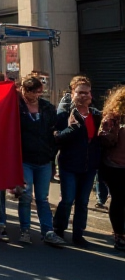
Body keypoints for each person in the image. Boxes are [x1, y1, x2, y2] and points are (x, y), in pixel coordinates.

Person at [53, 76, 103, 248]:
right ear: (72, 93)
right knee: (67, 199)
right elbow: (57, 138)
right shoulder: (64, 114)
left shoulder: (96, 115)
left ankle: (78, 234)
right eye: (80, 92)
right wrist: (71, 128)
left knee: (82, 202)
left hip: (89, 167)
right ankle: (58, 231)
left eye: (86, 92)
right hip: (69, 165)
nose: (84, 96)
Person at [17, 76, 65, 246]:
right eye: (34, 92)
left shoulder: (47, 108)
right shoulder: (16, 106)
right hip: (24, 159)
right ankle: (25, 230)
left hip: (44, 158)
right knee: (25, 195)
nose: (37, 96)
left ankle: (48, 232)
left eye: (39, 92)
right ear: (25, 90)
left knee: (42, 198)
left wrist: (52, 158)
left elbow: (53, 133)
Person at [97, 85, 125, 251]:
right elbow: (104, 138)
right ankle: (119, 235)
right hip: (114, 166)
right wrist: (113, 132)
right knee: (119, 199)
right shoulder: (114, 117)